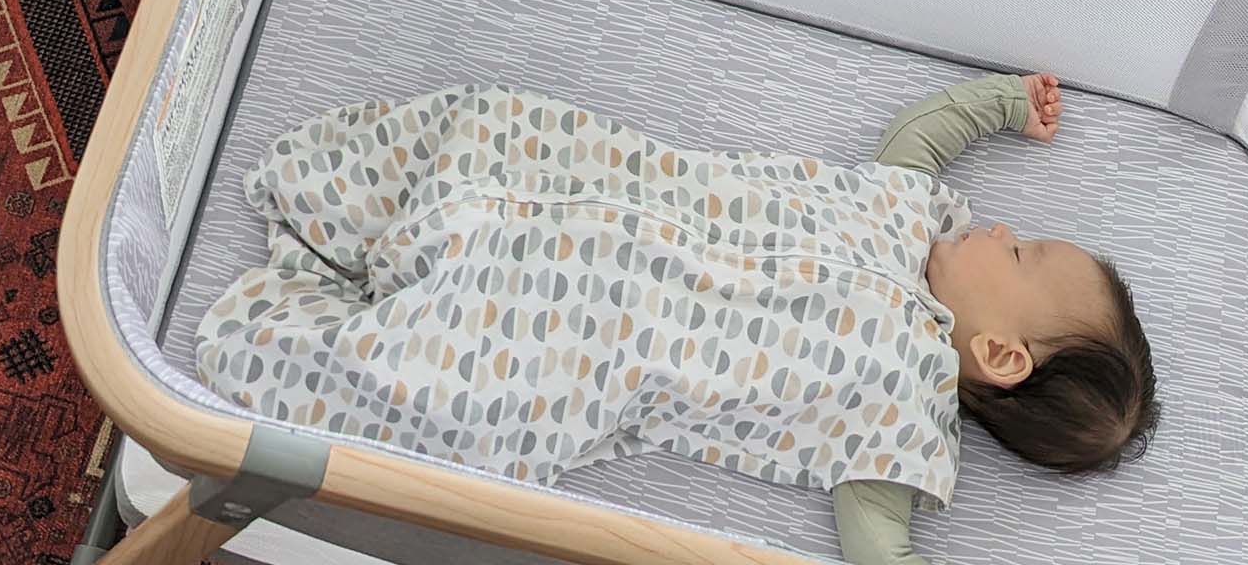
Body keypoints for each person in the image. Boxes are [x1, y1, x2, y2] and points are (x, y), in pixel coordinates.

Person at [194, 74, 1157, 565]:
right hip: (598, 186)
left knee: (453, 384)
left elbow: (878, 545)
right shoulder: (908, 210)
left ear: (998, 353)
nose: (998, 226)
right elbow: (921, 137)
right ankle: (348, 213)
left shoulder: (897, 421)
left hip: (584, 330)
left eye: (1020, 251)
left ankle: (312, 326)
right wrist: (997, 104)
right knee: (495, 127)